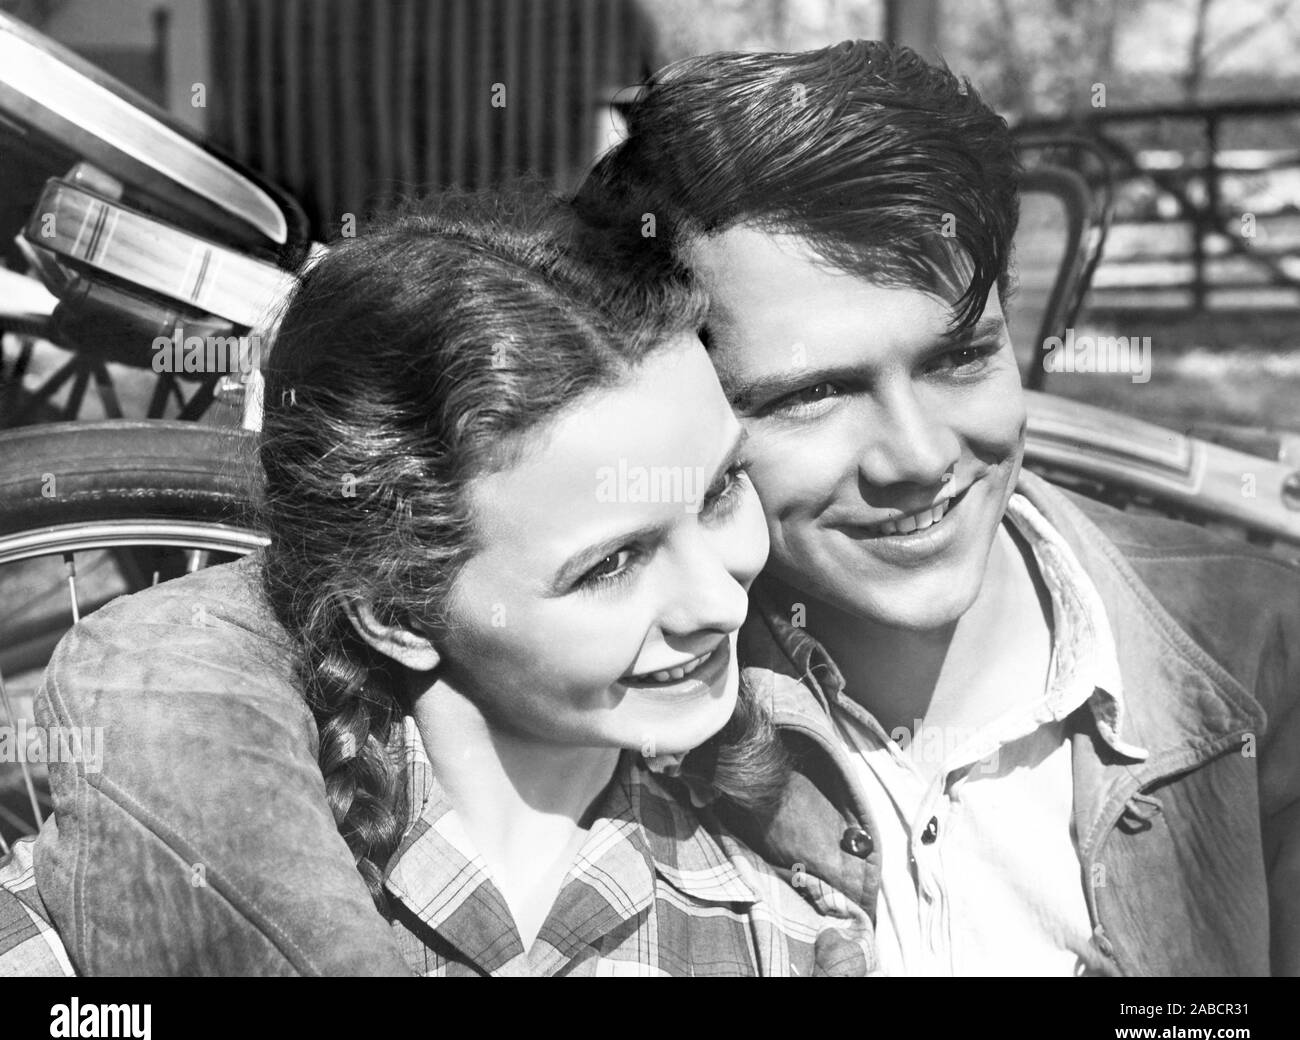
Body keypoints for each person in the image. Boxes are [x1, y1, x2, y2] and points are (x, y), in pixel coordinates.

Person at [31, 40, 1300, 978]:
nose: (919, 457)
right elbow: (184, 652)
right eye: (809, 397)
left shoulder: (1253, 651)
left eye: (962, 355)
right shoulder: (667, 662)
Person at [13, 188, 871, 976]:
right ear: (395, 608)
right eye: (612, 563)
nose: (721, 599)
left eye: (720, 490)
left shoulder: (785, 940)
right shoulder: (89, 907)